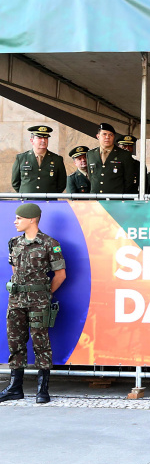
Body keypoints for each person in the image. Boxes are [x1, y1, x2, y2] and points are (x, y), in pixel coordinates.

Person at [0, 204, 66, 404]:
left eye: (19, 218)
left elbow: (60, 275)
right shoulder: (14, 243)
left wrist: (44, 294)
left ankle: (42, 389)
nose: (15, 221)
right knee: (15, 342)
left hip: (39, 302)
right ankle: (15, 387)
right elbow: (15, 269)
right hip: (16, 300)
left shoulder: (49, 243)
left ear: (32, 219)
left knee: (41, 342)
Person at [12, 125, 67, 194]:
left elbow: (62, 184)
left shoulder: (57, 159)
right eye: (39, 138)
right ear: (32, 140)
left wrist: (50, 196)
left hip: (48, 200)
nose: (43, 140)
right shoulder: (21, 158)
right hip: (27, 199)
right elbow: (15, 182)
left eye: (46, 138)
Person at [88, 123, 137, 194]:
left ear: (114, 137)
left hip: (115, 198)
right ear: (98, 136)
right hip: (95, 197)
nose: (107, 137)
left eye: (110, 135)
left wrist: (119, 196)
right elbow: (91, 177)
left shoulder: (124, 154)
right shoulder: (90, 154)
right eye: (104, 134)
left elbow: (129, 180)